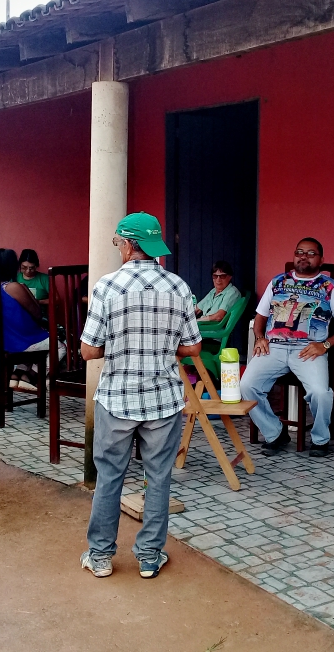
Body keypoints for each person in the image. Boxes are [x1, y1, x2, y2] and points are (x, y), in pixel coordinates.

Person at [80, 212, 201, 580]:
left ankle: (100, 557)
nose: (118, 249)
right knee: (158, 477)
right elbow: (193, 348)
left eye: (118, 243)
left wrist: (123, 344)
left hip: (116, 399)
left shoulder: (107, 287)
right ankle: (150, 557)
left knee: (110, 477)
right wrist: (162, 347)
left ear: (129, 244)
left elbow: (88, 351)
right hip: (163, 400)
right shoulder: (179, 287)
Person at [240, 238, 334, 458]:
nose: (304, 257)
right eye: (300, 252)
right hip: (274, 347)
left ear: (321, 259)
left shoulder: (331, 288)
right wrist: (260, 337)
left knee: (321, 393)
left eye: (311, 253)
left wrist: (325, 345)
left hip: (308, 350)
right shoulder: (277, 282)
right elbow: (260, 317)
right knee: (246, 386)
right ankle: (275, 433)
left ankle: (320, 439)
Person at [0, 248, 65, 391]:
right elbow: (37, 313)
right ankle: (31, 375)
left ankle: (17, 374)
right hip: (17, 341)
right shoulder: (13, 287)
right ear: (14, 266)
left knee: (33, 343)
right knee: (60, 346)